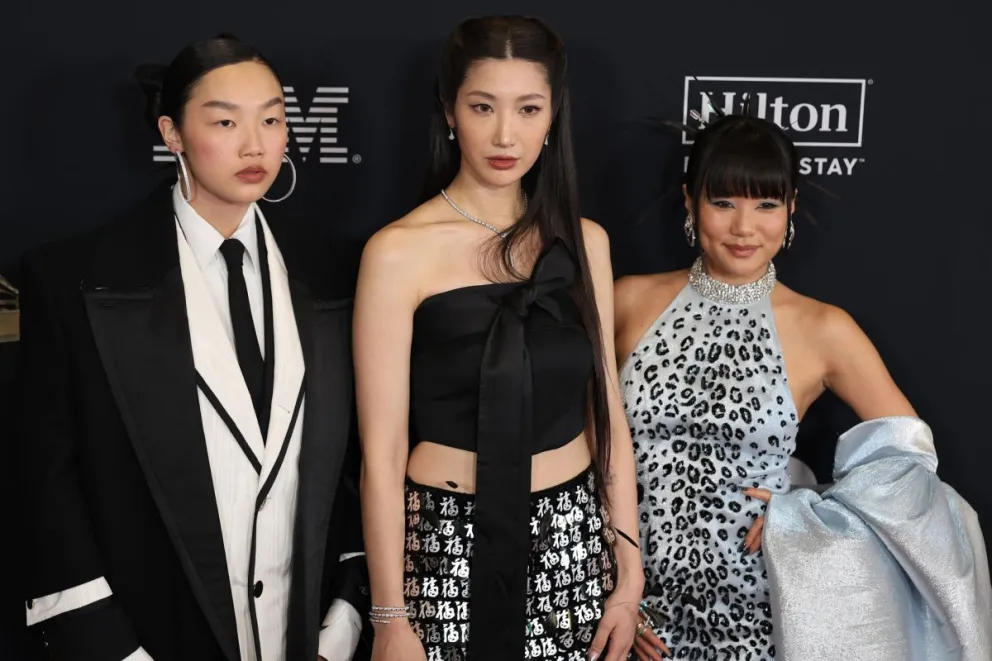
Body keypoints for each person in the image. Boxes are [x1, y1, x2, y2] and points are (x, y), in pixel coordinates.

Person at [16, 34, 368, 661]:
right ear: (172, 133)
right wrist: (105, 644)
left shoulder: (335, 269)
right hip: (155, 632)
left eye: (272, 119)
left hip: (307, 632)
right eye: (225, 121)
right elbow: (47, 482)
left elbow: (352, 461)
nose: (254, 144)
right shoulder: (76, 279)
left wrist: (347, 605)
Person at [353, 15, 648, 661]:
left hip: (572, 540)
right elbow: (381, 451)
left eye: (529, 108)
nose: (506, 134)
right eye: (483, 106)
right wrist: (389, 616)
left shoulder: (585, 242)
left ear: (553, 117)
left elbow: (609, 422)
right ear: (450, 111)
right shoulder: (397, 253)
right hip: (444, 544)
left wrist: (628, 576)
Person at [613, 112, 924, 660]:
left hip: (758, 603)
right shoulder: (626, 301)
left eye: (766, 205)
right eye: (724, 202)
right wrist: (612, 589)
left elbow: (909, 459)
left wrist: (814, 514)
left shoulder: (824, 328)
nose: (744, 228)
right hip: (636, 599)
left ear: (791, 208)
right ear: (689, 202)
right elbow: (580, 443)